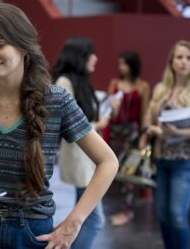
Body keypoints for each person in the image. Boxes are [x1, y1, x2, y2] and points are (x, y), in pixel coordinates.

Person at [0, 3, 118, 249]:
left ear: (23, 44)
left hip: (31, 231)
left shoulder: (56, 100)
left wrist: (73, 224)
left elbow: (108, 161)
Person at [52, 37, 108, 249]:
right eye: (91, 53)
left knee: (86, 216)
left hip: (89, 157)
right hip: (80, 157)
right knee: (94, 220)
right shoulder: (65, 82)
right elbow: (66, 124)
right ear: (80, 57)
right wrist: (96, 124)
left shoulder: (81, 82)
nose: (95, 58)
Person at [140, 40, 190, 249]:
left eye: (189, 58)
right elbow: (148, 119)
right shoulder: (161, 89)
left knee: (177, 214)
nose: (184, 62)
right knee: (162, 214)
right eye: (179, 57)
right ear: (171, 61)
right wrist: (150, 129)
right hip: (160, 160)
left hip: (186, 161)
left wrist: (177, 132)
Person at [104, 50, 151, 226]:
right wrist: (114, 107)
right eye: (120, 64)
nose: (121, 67)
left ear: (132, 65)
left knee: (129, 173)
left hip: (132, 133)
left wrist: (143, 137)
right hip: (116, 133)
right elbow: (109, 113)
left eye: (124, 63)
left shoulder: (142, 86)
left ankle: (126, 211)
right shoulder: (114, 83)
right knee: (113, 171)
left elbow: (145, 113)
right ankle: (120, 208)